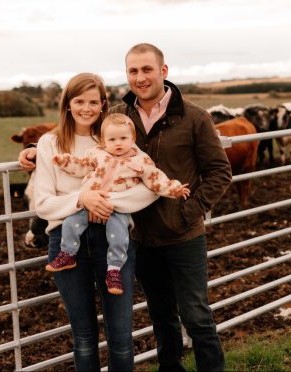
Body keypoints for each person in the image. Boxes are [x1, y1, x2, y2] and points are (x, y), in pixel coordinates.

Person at [19, 43, 232, 371]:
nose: (140, 77)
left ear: (163, 70)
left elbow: (207, 172)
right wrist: (35, 148)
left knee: (194, 315)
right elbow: (74, 144)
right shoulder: (120, 119)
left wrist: (191, 210)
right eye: (133, 71)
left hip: (173, 232)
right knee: (158, 318)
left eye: (147, 69)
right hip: (135, 236)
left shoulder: (190, 117)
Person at [32, 72, 159, 371]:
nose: (86, 108)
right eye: (79, 101)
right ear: (67, 104)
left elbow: (150, 186)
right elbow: (43, 204)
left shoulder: (114, 138)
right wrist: (81, 199)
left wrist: (104, 202)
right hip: (65, 242)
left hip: (113, 240)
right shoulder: (49, 143)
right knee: (84, 336)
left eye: (93, 102)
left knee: (121, 335)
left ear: (103, 105)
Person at [46, 112, 191, 297]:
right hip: (90, 202)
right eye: (112, 139)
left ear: (133, 138)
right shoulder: (97, 153)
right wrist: (64, 161)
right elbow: (80, 165)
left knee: (119, 236)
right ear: (103, 141)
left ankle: (113, 270)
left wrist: (174, 189)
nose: (118, 143)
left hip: (118, 208)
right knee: (69, 224)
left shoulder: (141, 160)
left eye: (123, 138)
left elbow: (156, 179)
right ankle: (67, 254)